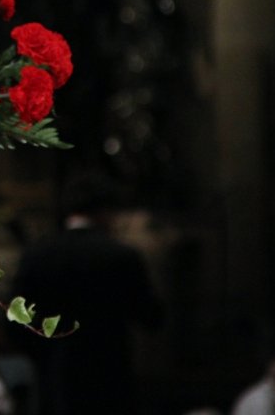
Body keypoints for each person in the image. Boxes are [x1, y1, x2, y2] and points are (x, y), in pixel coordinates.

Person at [12, 171, 163, 415]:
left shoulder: (38, 254)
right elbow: (150, 315)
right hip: (109, 372)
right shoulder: (120, 256)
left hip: (55, 374)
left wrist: (40, 351)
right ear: (106, 211)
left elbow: (17, 319)